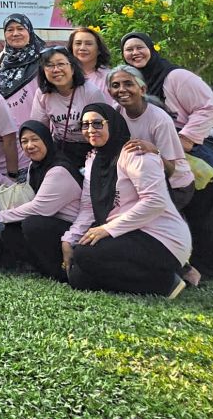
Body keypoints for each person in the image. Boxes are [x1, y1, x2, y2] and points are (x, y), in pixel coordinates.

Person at [119, 32, 213, 281]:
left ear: (152, 49)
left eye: (139, 47)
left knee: (203, 206)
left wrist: (186, 138)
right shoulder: (129, 82)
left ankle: (205, 267)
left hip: (190, 152)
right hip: (152, 154)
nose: (135, 53)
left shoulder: (175, 76)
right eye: (128, 50)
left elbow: (208, 106)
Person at [62, 103, 191, 298]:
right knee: (78, 278)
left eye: (97, 124)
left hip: (161, 238)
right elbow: (88, 207)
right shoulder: (93, 160)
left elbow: (155, 202)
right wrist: (68, 240)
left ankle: (165, 283)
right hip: (127, 234)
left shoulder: (135, 154)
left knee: (85, 254)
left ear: (111, 124)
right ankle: (154, 277)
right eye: (85, 125)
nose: (90, 130)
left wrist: (107, 229)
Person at [0, 120, 83, 280]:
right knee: (11, 232)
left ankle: (62, 272)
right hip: (51, 223)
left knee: (32, 224)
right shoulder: (35, 166)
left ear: (46, 139)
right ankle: (45, 269)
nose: (29, 145)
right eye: (24, 142)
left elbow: (38, 208)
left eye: (35, 139)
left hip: (72, 228)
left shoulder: (59, 170)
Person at [106, 64, 194, 211]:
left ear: (142, 89)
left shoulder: (160, 120)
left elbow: (171, 169)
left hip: (173, 185)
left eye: (128, 84)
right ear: (110, 92)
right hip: (139, 182)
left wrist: (154, 151)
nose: (122, 90)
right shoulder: (115, 112)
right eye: (116, 85)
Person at [30, 46, 109, 168]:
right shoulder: (42, 94)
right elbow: (39, 128)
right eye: (49, 66)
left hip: (91, 146)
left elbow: (105, 127)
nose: (56, 70)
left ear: (72, 68)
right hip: (61, 147)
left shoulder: (90, 92)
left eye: (61, 64)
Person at [0, 13, 46, 132]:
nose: (15, 33)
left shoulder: (43, 58)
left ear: (29, 31)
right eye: (10, 30)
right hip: (4, 131)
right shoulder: (1, 60)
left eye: (20, 29)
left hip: (35, 130)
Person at [69, 26, 111, 92]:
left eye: (88, 44)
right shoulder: (65, 75)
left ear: (99, 49)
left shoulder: (109, 77)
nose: (82, 48)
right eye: (78, 43)